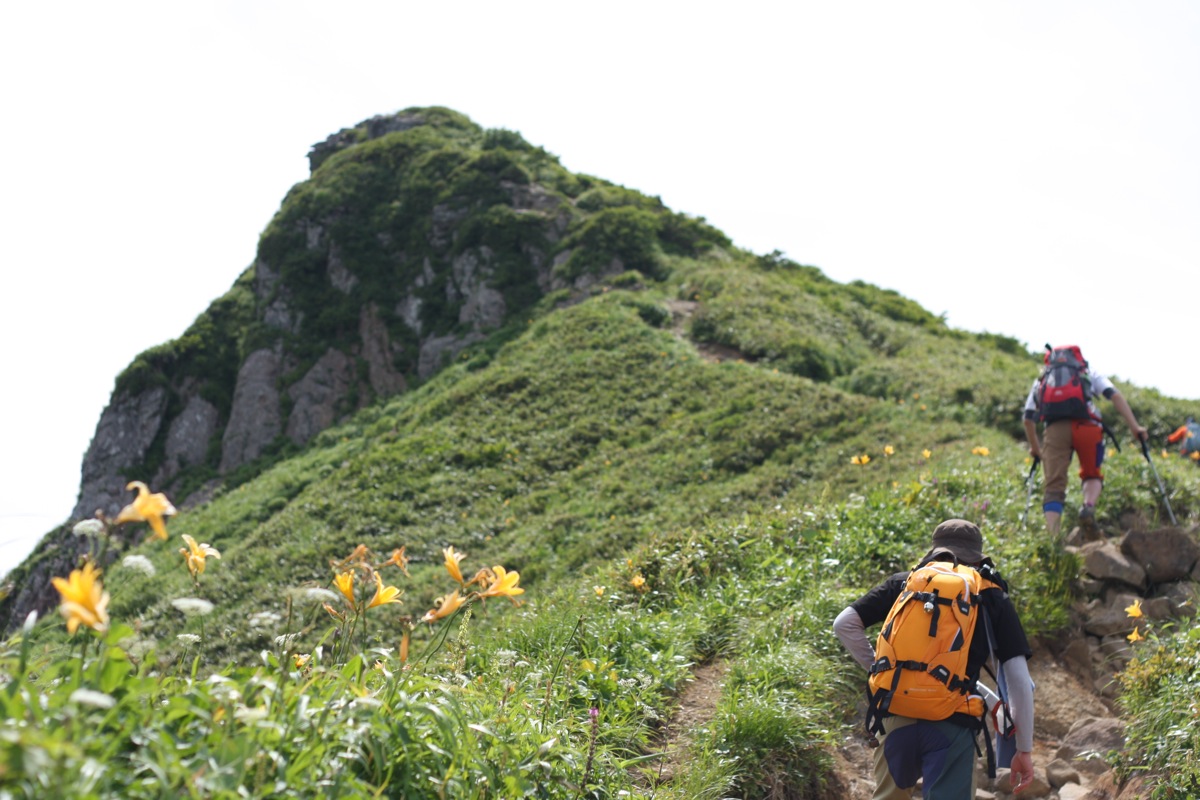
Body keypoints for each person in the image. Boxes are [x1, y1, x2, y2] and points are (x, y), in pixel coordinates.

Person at [833, 519, 1036, 799]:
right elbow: (1020, 682)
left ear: (935, 550)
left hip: (895, 714)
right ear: (977, 555)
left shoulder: (906, 583)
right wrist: (1023, 749)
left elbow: (843, 624)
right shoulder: (991, 595)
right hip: (951, 723)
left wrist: (882, 669)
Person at [1022, 347, 1148, 535]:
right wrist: (1134, 427)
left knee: (1054, 485)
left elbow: (1028, 417)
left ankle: (1054, 539)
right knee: (1091, 474)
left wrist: (1035, 447)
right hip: (1087, 427)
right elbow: (1114, 394)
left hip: (1055, 429)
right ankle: (1088, 506)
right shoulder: (1087, 373)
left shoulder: (1043, 379)